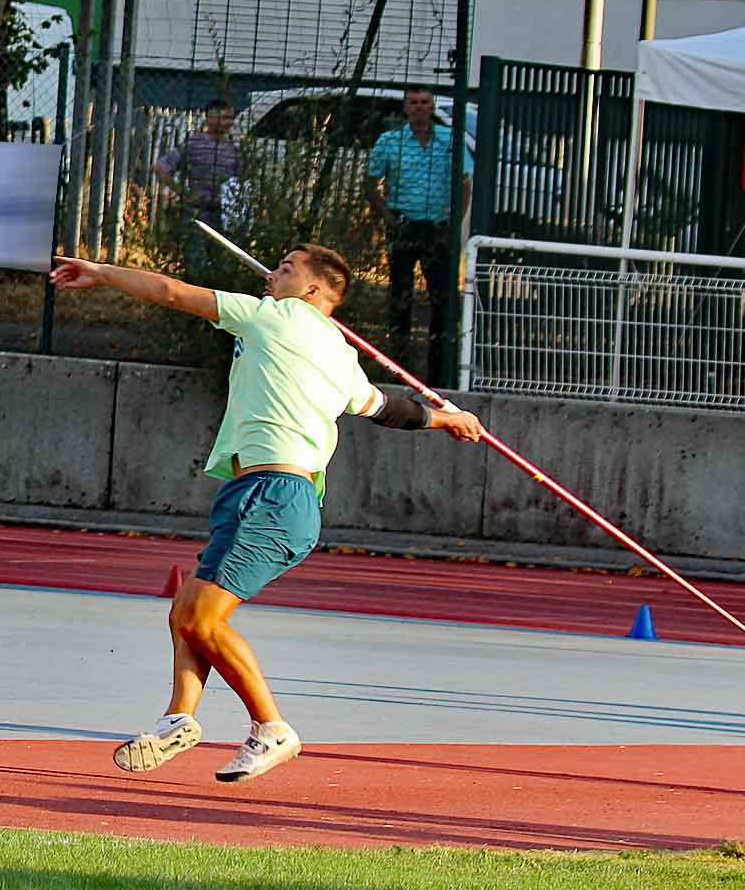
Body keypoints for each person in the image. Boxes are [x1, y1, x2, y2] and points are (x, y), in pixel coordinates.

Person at [50, 245, 484, 783]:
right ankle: (179, 717)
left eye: (285, 268)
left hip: (277, 496)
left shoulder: (271, 315)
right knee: (186, 609)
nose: (271, 273)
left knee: (200, 618)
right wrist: (448, 419)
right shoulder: (340, 353)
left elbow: (170, 292)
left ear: (313, 290)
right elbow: (385, 409)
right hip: (258, 492)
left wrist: (100, 272)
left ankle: (271, 728)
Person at [366, 85, 473, 383]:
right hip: (404, 223)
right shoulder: (390, 141)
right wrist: (389, 218)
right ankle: (398, 366)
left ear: (431, 107)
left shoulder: (449, 141)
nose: (418, 107)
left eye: (424, 102)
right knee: (400, 296)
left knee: (442, 299)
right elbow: (371, 183)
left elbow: (465, 181)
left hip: (437, 227)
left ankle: (439, 372)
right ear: (405, 108)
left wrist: (453, 222)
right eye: (413, 102)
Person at [154, 99, 242, 279]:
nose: (229, 123)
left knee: (222, 259)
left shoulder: (235, 150)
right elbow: (161, 168)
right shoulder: (193, 144)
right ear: (209, 118)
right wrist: (184, 193)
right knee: (194, 259)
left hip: (224, 213)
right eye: (224, 117)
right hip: (197, 210)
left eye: (230, 118)